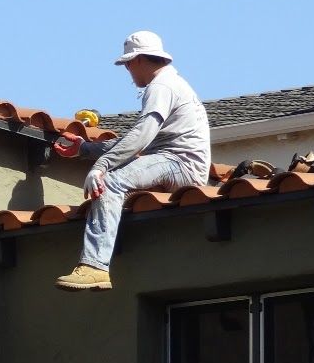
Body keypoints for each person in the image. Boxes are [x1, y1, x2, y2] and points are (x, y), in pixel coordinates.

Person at [53, 30, 210, 291]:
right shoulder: (170, 83)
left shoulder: (161, 86)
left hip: (179, 164)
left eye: (127, 63)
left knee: (110, 182)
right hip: (171, 161)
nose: (127, 69)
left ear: (137, 59)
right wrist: (85, 149)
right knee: (114, 180)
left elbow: (141, 136)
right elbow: (137, 142)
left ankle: (95, 266)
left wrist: (100, 166)